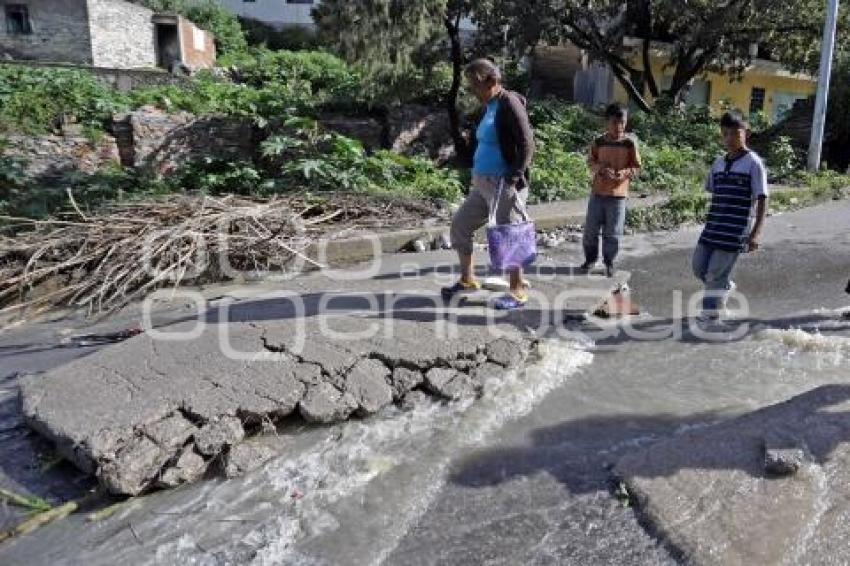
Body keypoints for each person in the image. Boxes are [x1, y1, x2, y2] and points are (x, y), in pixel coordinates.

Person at [442, 59, 535, 310]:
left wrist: (512, 179)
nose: (473, 91)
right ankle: (468, 279)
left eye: (476, 85)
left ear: (492, 81)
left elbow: (527, 145)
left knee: (510, 235)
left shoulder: (509, 103)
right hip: (482, 184)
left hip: (503, 184)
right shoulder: (488, 106)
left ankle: (516, 292)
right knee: (461, 225)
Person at [692, 110, 769, 322]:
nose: (730, 139)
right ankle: (724, 286)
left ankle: (709, 316)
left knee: (714, 274)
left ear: (746, 133)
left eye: (735, 133)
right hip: (713, 228)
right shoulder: (718, 163)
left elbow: (762, 199)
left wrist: (755, 234)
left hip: (734, 231)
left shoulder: (754, 163)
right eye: (725, 134)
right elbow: (713, 192)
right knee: (699, 268)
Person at [581, 103, 642, 277]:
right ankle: (590, 260)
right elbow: (590, 162)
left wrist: (624, 173)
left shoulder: (630, 144)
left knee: (613, 233)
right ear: (607, 122)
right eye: (615, 122)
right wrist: (600, 168)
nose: (619, 127)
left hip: (618, 196)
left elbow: (636, 167)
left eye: (622, 122)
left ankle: (609, 262)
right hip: (598, 194)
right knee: (591, 231)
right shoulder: (598, 142)